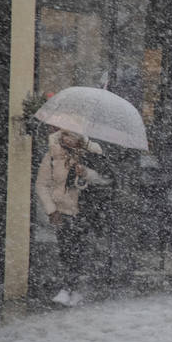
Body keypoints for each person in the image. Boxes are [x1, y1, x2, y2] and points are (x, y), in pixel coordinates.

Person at [34, 129, 109, 306]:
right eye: (66, 135)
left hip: (86, 211)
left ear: (80, 138)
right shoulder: (52, 156)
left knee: (80, 251)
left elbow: (104, 179)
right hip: (63, 211)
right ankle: (67, 288)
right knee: (66, 251)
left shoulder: (91, 155)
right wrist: (51, 209)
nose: (69, 139)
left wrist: (85, 173)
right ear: (61, 136)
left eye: (73, 136)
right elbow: (42, 184)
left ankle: (73, 288)